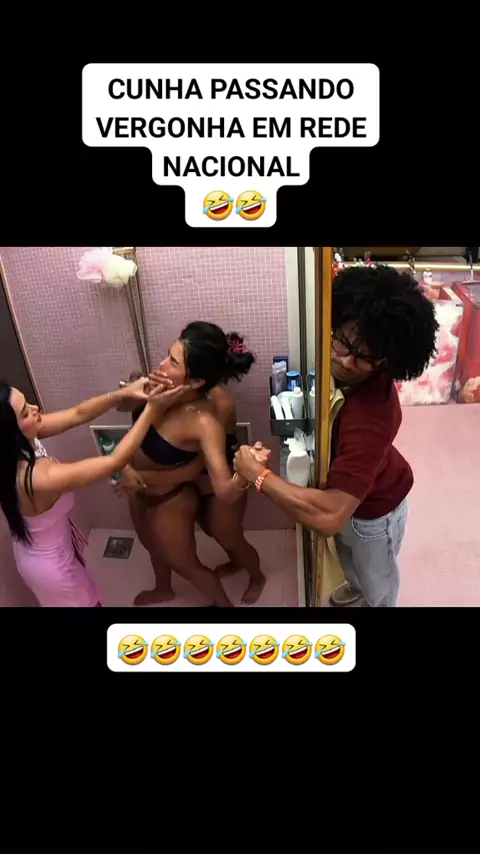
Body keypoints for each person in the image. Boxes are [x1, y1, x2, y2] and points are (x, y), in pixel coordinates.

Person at [234, 264, 438, 608]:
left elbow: (330, 516)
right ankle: (356, 586)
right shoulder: (340, 367)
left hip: (376, 513)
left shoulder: (368, 418)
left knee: (378, 582)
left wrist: (258, 476)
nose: (345, 361)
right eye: (343, 342)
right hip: (358, 488)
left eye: (364, 357)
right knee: (350, 562)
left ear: (387, 362)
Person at [114, 322, 267, 608]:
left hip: (199, 482)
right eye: (168, 354)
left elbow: (204, 472)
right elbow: (122, 409)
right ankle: (163, 589)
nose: (161, 364)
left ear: (196, 381)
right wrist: (130, 392)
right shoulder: (158, 384)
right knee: (153, 544)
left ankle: (256, 577)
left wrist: (249, 471)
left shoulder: (209, 415)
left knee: (226, 537)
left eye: (173, 361)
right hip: (153, 486)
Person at [0, 377, 189, 606]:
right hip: (48, 568)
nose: (35, 409)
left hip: (43, 547)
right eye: (25, 412)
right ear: (10, 431)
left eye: (28, 403)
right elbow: (114, 462)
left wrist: (120, 395)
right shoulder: (38, 478)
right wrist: (152, 409)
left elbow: (77, 414)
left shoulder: (17, 444)